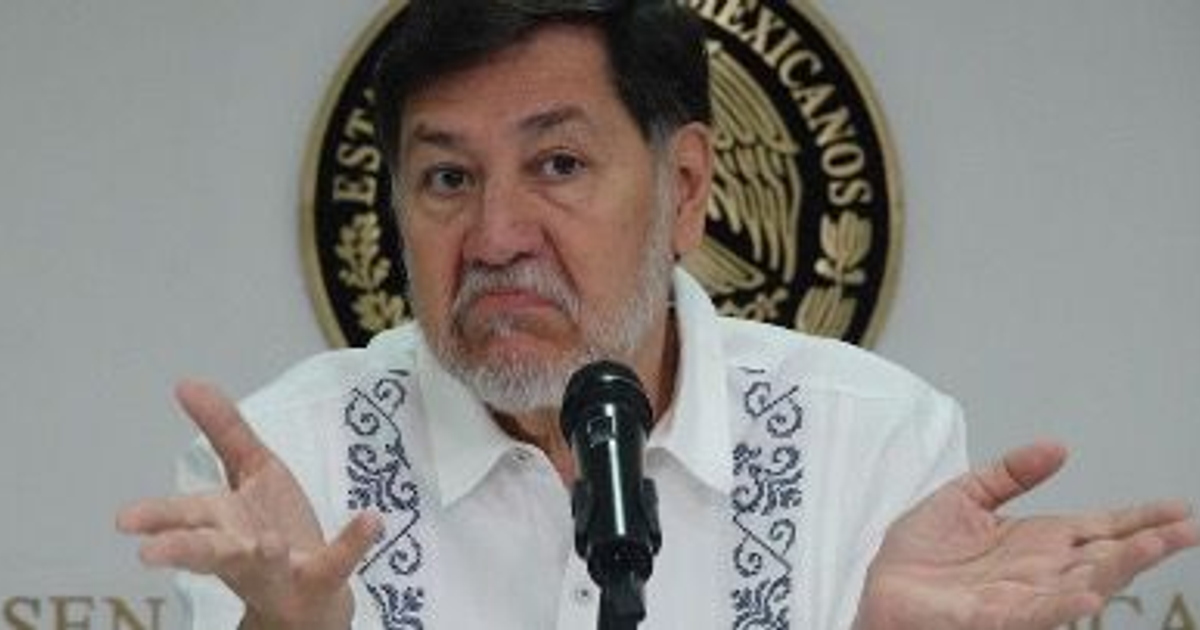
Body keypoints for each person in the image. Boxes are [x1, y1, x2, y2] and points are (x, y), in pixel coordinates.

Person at [116, 1, 1198, 628]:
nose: (495, 236)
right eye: (447, 180)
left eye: (558, 163)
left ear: (684, 189)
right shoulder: (284, 469)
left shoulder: (875, 443)